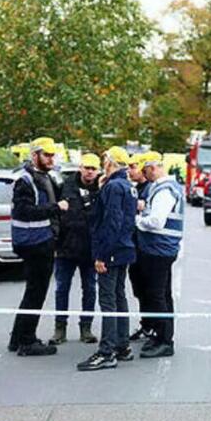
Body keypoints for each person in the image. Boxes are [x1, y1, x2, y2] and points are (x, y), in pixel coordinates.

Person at [78, 147, 137, 371]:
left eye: (105, 160)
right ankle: (122, 346)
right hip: (124, 249)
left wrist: (102, 255)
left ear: (111, 162)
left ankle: (107, 351)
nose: (103, 163)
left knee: (108, 301)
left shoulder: (114, 186)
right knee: (119, 297)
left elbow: (112, 222)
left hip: (111, 250)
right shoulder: (126, 186)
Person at [8, 137, 68, 357]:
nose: (51, 158)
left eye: (53, 155)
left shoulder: (44, 177)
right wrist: (55, 207)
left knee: (32, 291)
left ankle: (17, 338)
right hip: (34, 242)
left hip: (40, 240)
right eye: (47, 155)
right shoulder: (25, 180)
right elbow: (24, 211)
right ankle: (27, 341)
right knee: (36, 292)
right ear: (34, 156)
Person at [134, 151, 184, 358]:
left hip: (159, 249)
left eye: (145, 171)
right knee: (161, 294)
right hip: (162, 249)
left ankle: (164, 340)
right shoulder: (165, 187)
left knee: (157, 295)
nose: (144, 175)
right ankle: (160, 336)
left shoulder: (165, 190)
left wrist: (136, 220)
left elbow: (156, 221)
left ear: (153, 168)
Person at [51, 153, 101, 346]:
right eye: (86, 168)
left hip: (90, 249)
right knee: (62, 288)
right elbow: (54, 211)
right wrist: (55, 239)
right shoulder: (65, 185)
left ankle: (86, 328)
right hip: (66, 247)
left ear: (98, 171)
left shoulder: (100, 188)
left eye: (93, 169)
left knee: (89, 289)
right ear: (80, 168)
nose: (89, 172)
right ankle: (60, 328)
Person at [127, 153, 157, 343]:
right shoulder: (137, 187)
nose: (130, 170)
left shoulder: (150, 189)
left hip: (147, 247)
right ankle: (146, 324)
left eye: (133, 166)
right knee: (139, 289)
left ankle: (153, 326)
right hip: (135, 247)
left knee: (150, 289)